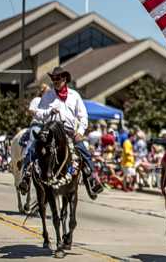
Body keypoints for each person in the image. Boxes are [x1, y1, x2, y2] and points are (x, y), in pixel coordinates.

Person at [19, 67, 103, 199]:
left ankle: (92, 180)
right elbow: (38, 114)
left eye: (57, 78)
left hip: (69, 132)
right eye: (53, 79)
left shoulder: (74, 96)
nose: (55, 81)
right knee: (34, 147)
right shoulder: (48, 96)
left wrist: (80, 131)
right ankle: (26, 177)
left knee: (84, 152)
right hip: (50, 130)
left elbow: (83, 116)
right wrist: (48, 112)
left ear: (64, 79)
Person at [18, 83, 49, 187]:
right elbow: (30, 110)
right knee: (32, 142)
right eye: (47, 91)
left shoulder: (51, 102)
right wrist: (40, 114)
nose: (48, 94)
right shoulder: (36, 100)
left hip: (48, 126)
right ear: (42, 92)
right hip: (37, 124)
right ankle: (25, 171)